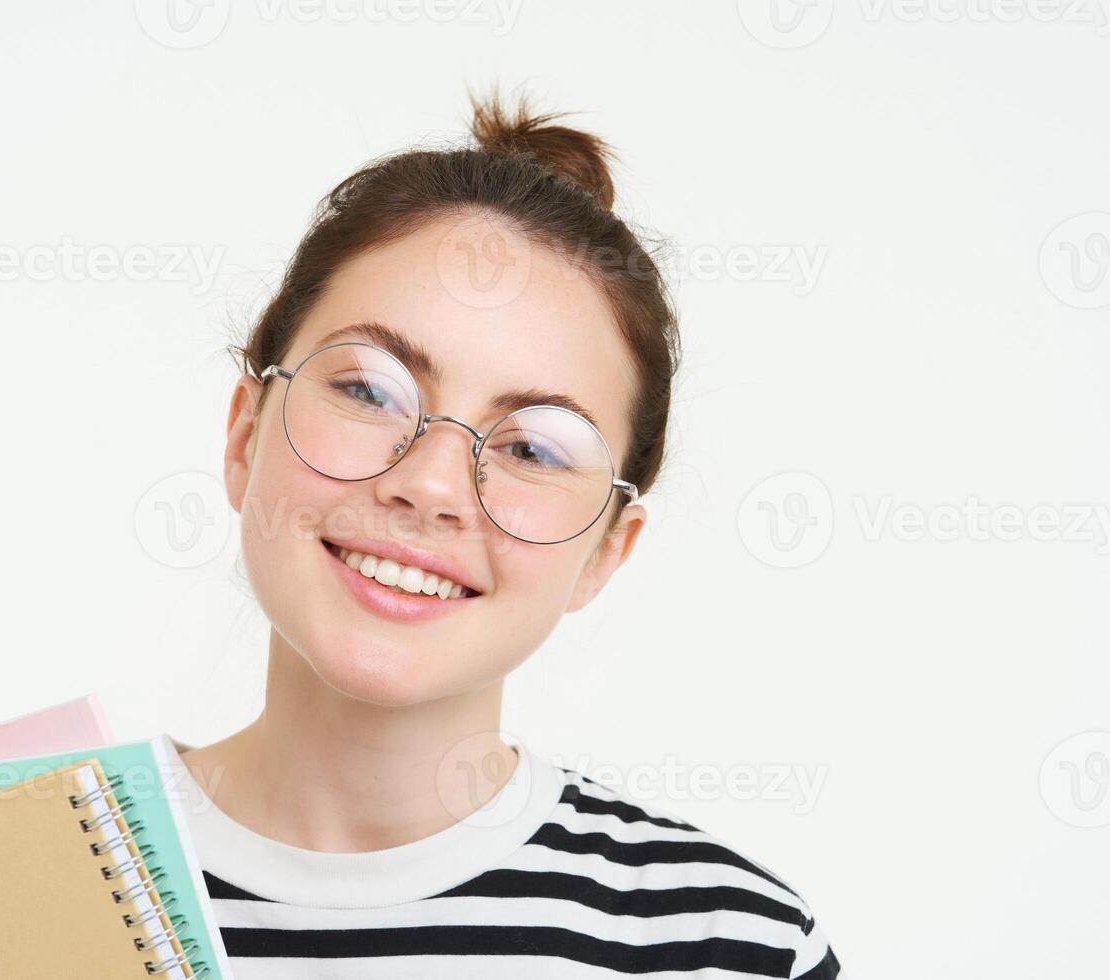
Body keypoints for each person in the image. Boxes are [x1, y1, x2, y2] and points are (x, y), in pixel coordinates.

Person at [171, 92, 842, 979]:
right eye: (371, 391)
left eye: (533, 446)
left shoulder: (731, 949)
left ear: (609, 548)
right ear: (246, 432)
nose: (430, 485)